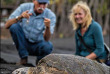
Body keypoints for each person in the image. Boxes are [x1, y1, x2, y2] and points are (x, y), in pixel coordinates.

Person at [5, 0, 56, 65]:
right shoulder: (24, 7)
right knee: (14, 26)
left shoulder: (50, 15)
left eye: (44, 4)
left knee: (48, 46)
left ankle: (39, 63)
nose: (42, 6)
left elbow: (46, 39)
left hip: (38, 45)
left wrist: (47, 27)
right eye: (40, 3)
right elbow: (7, 25)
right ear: (34, 1)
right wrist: (20, 17)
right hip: (23, 44)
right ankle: (23, 58)